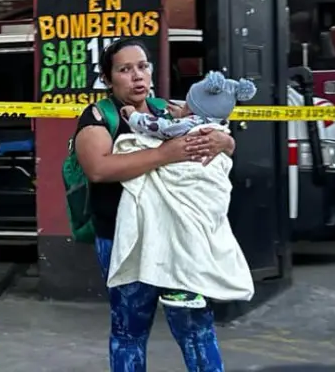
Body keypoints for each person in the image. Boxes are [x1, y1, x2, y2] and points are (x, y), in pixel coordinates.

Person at [74, 39, 236, 372]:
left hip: (179, 237)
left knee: (197, 329)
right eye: (125, 69)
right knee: (129, 330)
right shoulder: (98, 116)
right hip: (124, 238)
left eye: (143, 66)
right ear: (108, 78)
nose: (137, 76)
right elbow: (98, 168)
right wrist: (164, 155)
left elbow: (215, 141)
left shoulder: (169, 110)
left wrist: (225, 141)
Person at [107, 71, 256, 311]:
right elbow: (186, 121)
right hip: (210, 190)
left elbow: (159, 128)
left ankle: (187, 287)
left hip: (192, 185)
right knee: (201, 236)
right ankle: (207, 282)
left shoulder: (189, 125)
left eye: (187, 104)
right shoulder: (216, 124)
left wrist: (134, 116)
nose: (138, 76)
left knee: (185, 235)